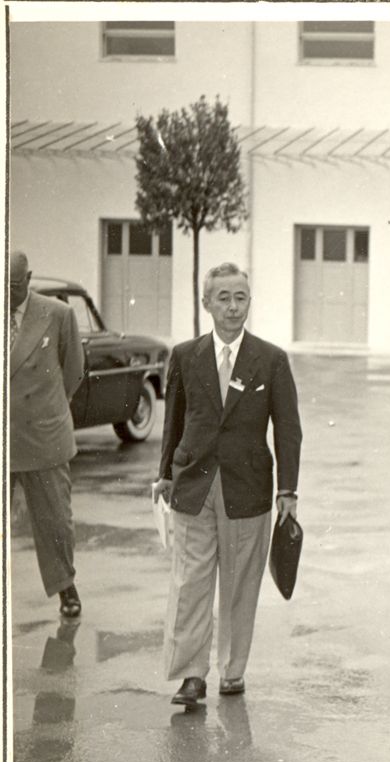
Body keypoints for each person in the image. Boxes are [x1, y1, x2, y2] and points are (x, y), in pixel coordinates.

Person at [152, 263, 302, 707]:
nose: (233, 307)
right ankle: (190, 675)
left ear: (249, 302)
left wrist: (287, 492)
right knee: (190, 581)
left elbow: (288, 428)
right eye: (224, 298)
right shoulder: (184, 355)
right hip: (192, 485)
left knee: (239, 582)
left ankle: (232, 671)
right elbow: (173, 420)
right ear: (206, 304)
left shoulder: (271, 359)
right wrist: (164, 474)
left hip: (248, 489)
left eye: (241, 298)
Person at [8, 250, 85, 618]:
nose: (8, 292)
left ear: (29, 278)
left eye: (16, 285)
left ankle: (65, 588)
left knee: (55, 520)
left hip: (44, 437)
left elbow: (73, 371)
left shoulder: (57, 314)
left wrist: (48, 410)